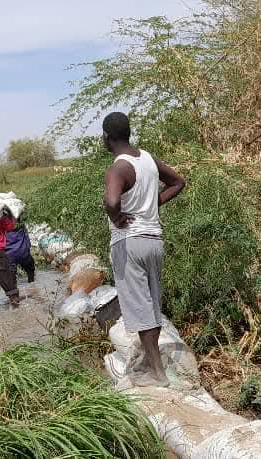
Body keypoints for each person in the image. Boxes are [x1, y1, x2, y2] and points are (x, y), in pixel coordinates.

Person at [101, 112, 186, 387]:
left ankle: (156, 372)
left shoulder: (119, 167)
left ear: (106, 138)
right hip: (154, 241)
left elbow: (112, 200)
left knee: (139, 308)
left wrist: (116, 217)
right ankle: (152, 361)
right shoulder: (148, 159)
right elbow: (178, 182)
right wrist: (153, 204)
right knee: (151, 303)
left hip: (130, 243)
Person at [6, 212, 37, 283]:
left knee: (12, 277)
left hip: (10, 254)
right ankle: (31, 286)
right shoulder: (21, 224)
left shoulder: (4, 225)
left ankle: (14, 291)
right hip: (23, 252)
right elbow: (27, 238)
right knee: (30, 271)